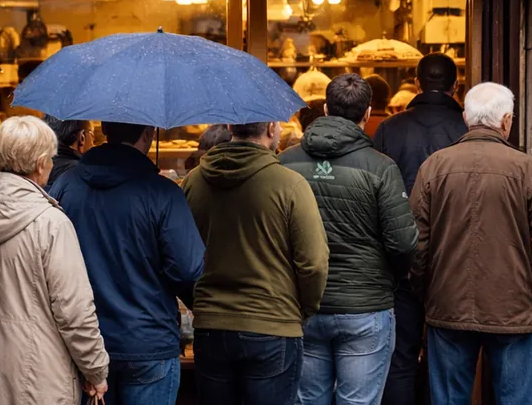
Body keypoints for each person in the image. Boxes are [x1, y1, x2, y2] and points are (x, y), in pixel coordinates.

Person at [410, 82, 532, 405]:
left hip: (447, 302)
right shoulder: (527, 169)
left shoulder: (434, 166)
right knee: (516, 399)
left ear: (466, 118)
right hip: (514, 305)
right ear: (507, 120)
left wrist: (426, 291)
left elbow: (416, 243)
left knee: (449, 399)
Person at [0, 116, 109, 404]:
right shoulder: (52, 223)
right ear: (42, 163)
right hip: (37, 379)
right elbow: (75, 312)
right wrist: (96, 370)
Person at [281, 73, 417, 405]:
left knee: (309, 401)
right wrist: (392, 279)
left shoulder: (285, 163)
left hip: (304, 303)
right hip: (365, 306)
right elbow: (402, 243)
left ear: (326, 108)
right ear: (368, 113)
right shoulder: (381, 167)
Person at [49, 122, 205, 405]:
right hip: (148, 340)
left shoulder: (65, 185)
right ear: (148, 134)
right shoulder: (163, 193)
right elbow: (188, 269)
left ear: (105, 130)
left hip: (83, 343)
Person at [181, 121, 329, 405]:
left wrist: (197, 301)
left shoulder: (194, 181)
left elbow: (179, 255)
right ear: (272, 129)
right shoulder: (290, 184)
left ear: (229, 127)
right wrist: (305, 309)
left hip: (212, 324)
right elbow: (314, 263)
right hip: (274, 324)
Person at [373, 53, 468, 405]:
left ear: (416, 83)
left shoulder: (390, 129)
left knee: (400, 355)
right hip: (455, 257)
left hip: (399, 257)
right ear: (455, 86)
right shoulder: (468, 130)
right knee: (447, 356)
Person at [43, 116, 95, 191]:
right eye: (92, 136)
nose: (93, 144)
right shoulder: (84, 174)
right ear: (82, 137)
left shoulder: (39, 169)